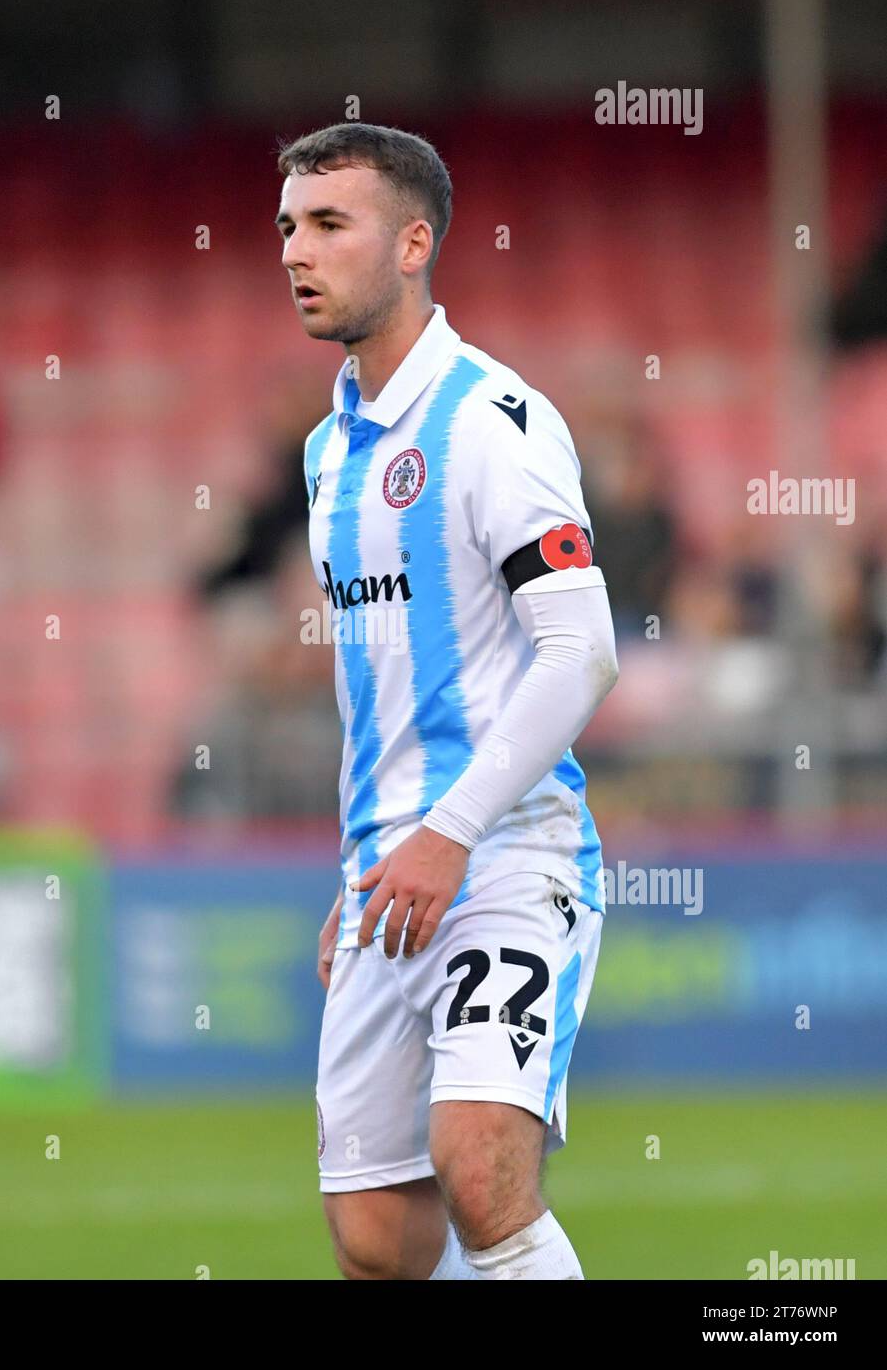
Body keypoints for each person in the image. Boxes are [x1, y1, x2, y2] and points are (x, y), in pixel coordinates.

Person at [275, 122, 619, 1280]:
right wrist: (367, 858)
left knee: (480, 1170)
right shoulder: (327, 452)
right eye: (287, 225)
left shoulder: (492, 422)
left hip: (505, 850)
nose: (295, 250)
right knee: (378, 1237)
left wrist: (449, 830)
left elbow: (582, 651)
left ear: (414, 242)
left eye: (329, 223)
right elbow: (380, 682)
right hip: (389, 871)